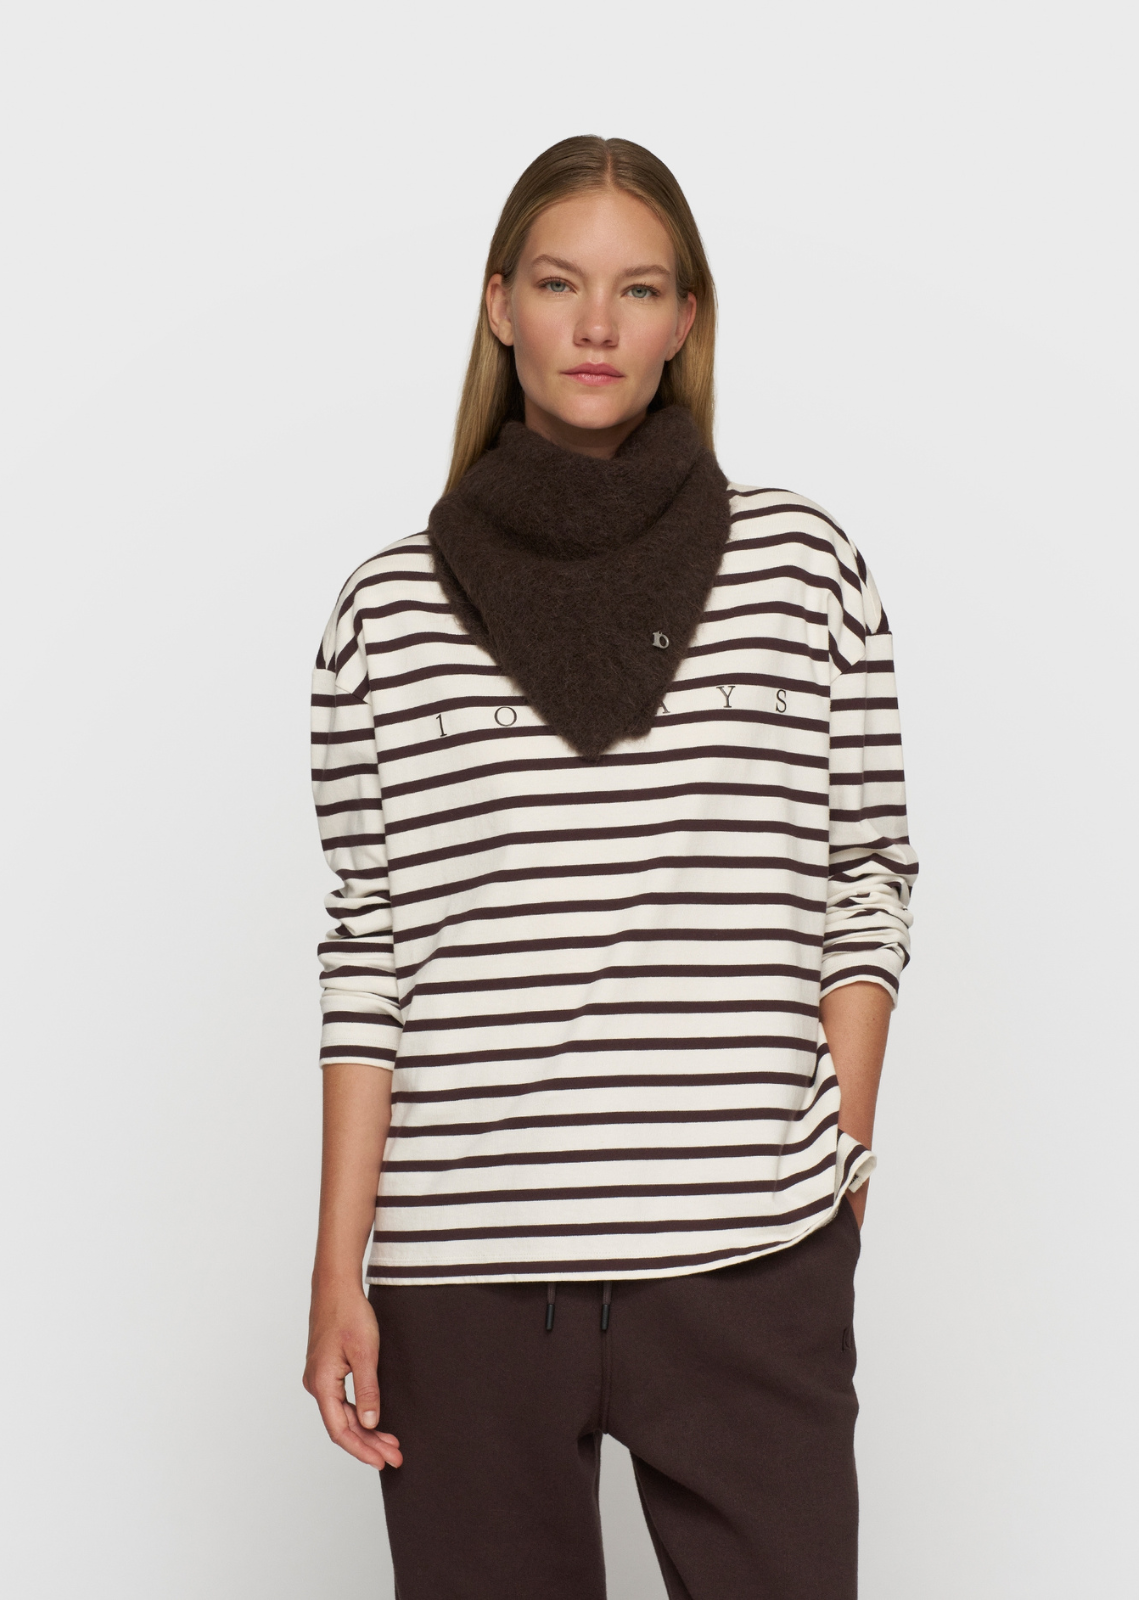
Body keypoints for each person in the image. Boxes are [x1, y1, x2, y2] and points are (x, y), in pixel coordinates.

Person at [303, 134, 917, 1600]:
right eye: (559, 283)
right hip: (465, 1267)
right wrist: (337, 1266)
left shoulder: (802, 569)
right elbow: (368, 946)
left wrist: (840, 1154)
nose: (596, 324)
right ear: (498, 304)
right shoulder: (384, 613)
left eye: (639, 289)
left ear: (686, 318)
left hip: (747, 1252)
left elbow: (868, 874)